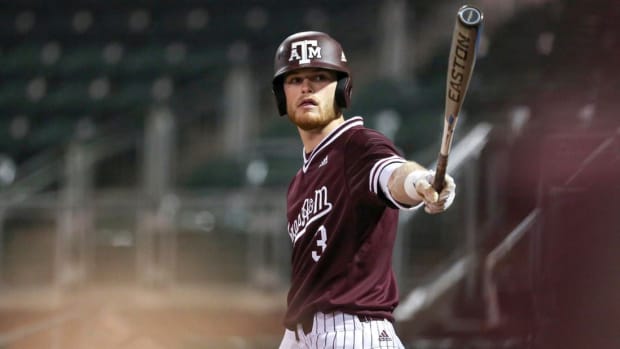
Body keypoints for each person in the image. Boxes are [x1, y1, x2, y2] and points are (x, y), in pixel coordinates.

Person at [272, 31, 456, 349]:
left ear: (342, 89)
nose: (306, 87)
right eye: (294, 79)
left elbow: (392, 173)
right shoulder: (299, 180)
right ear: (282, 95)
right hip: (300, 335)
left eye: (319, 76)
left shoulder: (358, 146)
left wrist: (420, 183)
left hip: (352, 332)